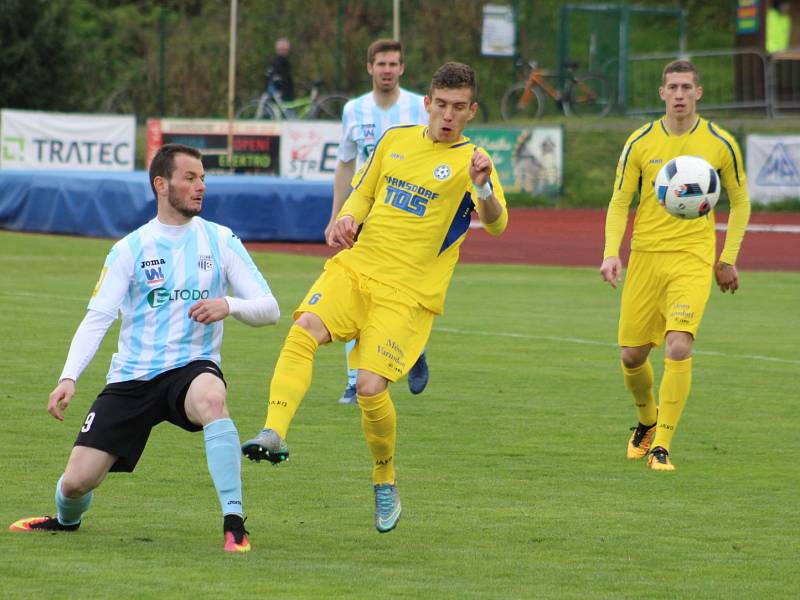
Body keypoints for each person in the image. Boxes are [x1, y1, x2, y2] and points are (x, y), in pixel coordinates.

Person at [243, 62, 508, 532]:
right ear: (427, 104)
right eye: (441, 105)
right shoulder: (395, 141)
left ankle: (384, 477)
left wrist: (484, 186)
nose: (447, 115)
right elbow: (362, 194)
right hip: (357, 269)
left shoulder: (474, 160)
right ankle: (275, 431)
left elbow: (498, 220)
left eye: (458, 108)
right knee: (303, 329)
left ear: (472, 111)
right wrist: (346, 216)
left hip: (407, 294)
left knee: (369, 387)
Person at [8, 143, 280, 552]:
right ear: (161, 184)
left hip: (191, 369)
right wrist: (68, 377)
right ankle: (66, 519)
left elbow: (271, 308)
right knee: (77, 482)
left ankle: (235, 523)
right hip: (133, 376)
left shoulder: (221, 240)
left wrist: (229, 304)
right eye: (190, 178)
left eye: (202, 178)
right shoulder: (129, 249)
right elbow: (98, 316)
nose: (200, 186)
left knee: (212, 398)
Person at [600, 60, 751, 471]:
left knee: (678, 345)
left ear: (698, 93)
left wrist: (727, 259)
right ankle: (647, 420)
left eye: (687, 86)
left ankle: (661, 446)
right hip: (646, 256)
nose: (680, 94)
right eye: (673, 87)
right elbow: (619, 200)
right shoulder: (640, 142)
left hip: (692, 256)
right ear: (662, 93)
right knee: (632, 356)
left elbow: (740, 201)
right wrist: (611, 252)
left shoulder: (720, 143)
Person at [325, 39, 430, 405]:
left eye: (394, 64)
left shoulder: (420, 106)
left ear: (402, 68)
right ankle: (355, 380)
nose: (387, 70)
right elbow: (345, 162)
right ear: (369, 67)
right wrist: (337, 214)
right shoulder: (354, 110)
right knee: (358, 290)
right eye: (381, 63)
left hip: (408, 218)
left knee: (404, 291)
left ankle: (412, 346)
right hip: (364, 215)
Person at [266, 37, 294, 101]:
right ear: (278, 49)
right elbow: (273, 78)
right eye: (284, 49)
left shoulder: (285, 62)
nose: (286, 51)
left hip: (285, 94)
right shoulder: (275, 62)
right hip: (279, 94)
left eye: (287, 49)